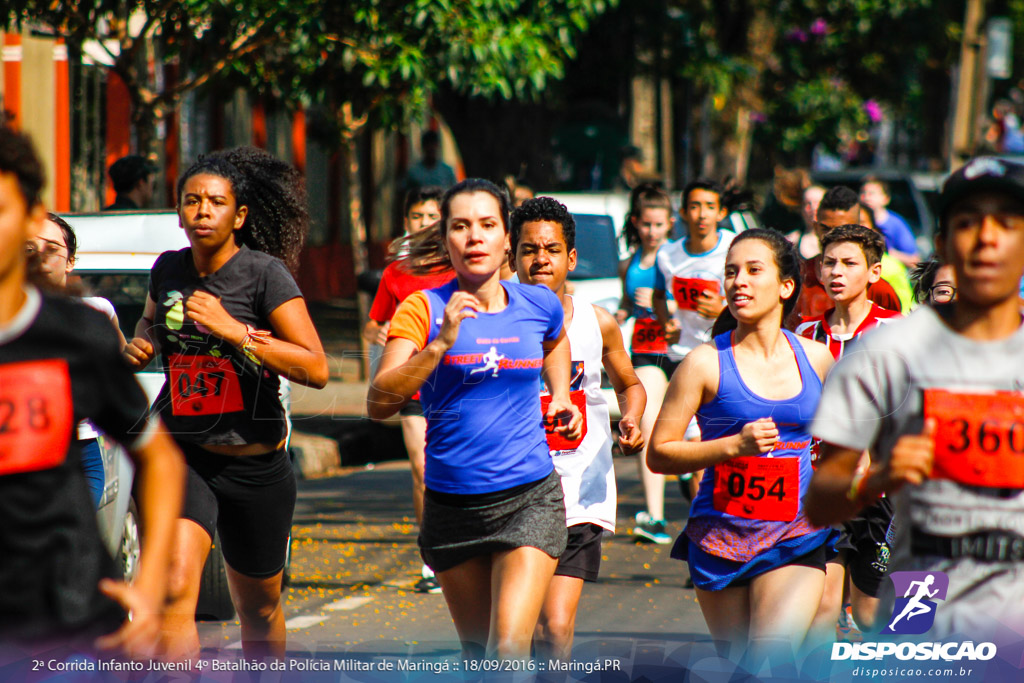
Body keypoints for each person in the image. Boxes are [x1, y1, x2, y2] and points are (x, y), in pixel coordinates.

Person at [123, 146, 329, 660]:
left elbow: (316, 367)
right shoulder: (167, 269)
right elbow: (150, 322)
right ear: (179, 211)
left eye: (216, 202)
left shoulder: (264, 275)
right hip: (184, 454)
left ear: (239, 215)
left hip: (254, 463)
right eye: (192, 201)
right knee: (175, 590)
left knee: (257, 611)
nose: (202, 211)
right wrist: (140, 342)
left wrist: (235, 331)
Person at [806, 157, 1024, 638]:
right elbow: (821, 502)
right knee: (910, 646)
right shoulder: (883, 350)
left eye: (1007, 222)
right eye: (968, 222)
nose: (987, 238)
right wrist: (879, 476)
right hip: (921, 565)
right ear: (944, 243)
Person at [367, 179, 582, 660]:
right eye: (460, 227)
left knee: (508, 649)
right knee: (479, 655)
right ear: (445, 240)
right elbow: (378, 402)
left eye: (487, 225)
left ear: (507, 237)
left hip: (530, 499)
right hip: (452, 508)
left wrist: (561, 395)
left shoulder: (538, 302)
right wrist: (439, 345)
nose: (474, 237)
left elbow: (555, 339)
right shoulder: (422, 309)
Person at [0, 125, 184, 657]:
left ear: (32, 218)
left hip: (71, 616)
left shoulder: (76, 335)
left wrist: (148, 590)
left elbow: (158, 458)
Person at [648, 228, 834, 664]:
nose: (738, 282)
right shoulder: (702, 363)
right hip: (720, 539)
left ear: (786, 287)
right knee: (740, 668)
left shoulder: (817, 358)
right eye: (731, 272)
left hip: (796, 534)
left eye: (753, 270)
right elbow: (660, 453)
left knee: (769, 658)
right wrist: (734, 447)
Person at [511, 196, 646, 660]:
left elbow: (630, 383)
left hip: (579, 491)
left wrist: (630, 417)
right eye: (529, 249)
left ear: (571, 258)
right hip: (511, 492)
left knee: (555, 628)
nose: (540, 259)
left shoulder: (597, 321)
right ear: (512, 256)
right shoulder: (491, 322)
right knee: (515, 629)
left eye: (551, 249)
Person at [795, 224, 900, 643]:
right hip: (820, 489)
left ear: (874, 273)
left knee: (873, 617)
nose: (836, 272)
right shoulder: (803, 335)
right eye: (829, 263)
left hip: (877, 494)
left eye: (849, 263)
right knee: (821, 607)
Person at [364, 186, 451, 594]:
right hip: (412, 388)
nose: (425, 224)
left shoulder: (461, 267)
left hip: (456, 385)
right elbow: (373, 323)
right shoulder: (395, 274)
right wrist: (380, 332)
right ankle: (431, 556)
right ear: (406, 223)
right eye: (417, 216)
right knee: (421, 468)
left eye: (433, 216)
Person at [27, 213, 128, 508]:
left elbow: (122, 367)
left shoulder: (95, 313)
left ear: (71, 261)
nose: (40, 257)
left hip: (81, 452)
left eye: (52, 248)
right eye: (28, 248)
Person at [652, 179, 735, 512]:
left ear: (722, 212)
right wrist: (666, 323)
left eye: (710, 207)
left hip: (726, 356)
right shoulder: (668, 255)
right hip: (683, 358)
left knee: (716, 442)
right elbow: (660, 296)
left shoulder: (734, 248)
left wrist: (724, 310)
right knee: (696, 443)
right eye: (695, 206)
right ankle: (705, 517)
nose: (703, 215)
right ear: (683, 212)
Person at [614, 185, 675, 544]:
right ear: (637, 224)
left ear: (670, 225)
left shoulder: (676, 258)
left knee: (691, 429)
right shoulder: (629, 263)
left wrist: (660, 302)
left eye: (659, 225)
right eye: (646, 224)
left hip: (679, 348)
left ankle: (688, 478)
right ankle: (655, 517)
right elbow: (626, 301)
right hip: (645, 348)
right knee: (648, 422)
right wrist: (619, 313)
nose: (652, 231)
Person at [795, 185, 902, 319]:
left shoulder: (878, 289)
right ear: (816, 228)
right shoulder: (797, 278)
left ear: (858, 229)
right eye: (825, 229)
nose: (832, 237)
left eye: (842, 230)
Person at [858, 201, 914, 311]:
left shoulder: (891, 268)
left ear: (874, 229)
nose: (855, 228)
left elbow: (905, 309)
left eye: (861, 222)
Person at [859, 177, 919, 266]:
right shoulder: (853, 220)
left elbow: (914, 260)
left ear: (886, 199)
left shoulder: (896, 223)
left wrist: (887, 252)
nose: (866, 198)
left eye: (872, 194)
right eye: (863, 193)